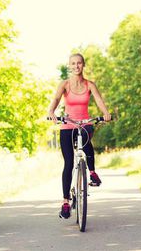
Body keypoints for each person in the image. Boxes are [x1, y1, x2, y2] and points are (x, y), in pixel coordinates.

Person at [48, 53, 111, 219]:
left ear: (83, 65)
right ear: (69, 66)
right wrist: (51, 112)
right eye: (73, 63)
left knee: (87, 141)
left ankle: (92, 172)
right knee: (68, 163)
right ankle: (66, 202)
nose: (76, 66)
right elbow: (55, 99)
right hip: (68, 125)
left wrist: (106, 113)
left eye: (79, 63)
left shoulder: (90, 85)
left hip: (85, 123)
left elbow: (99, 100)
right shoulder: (65, 85)